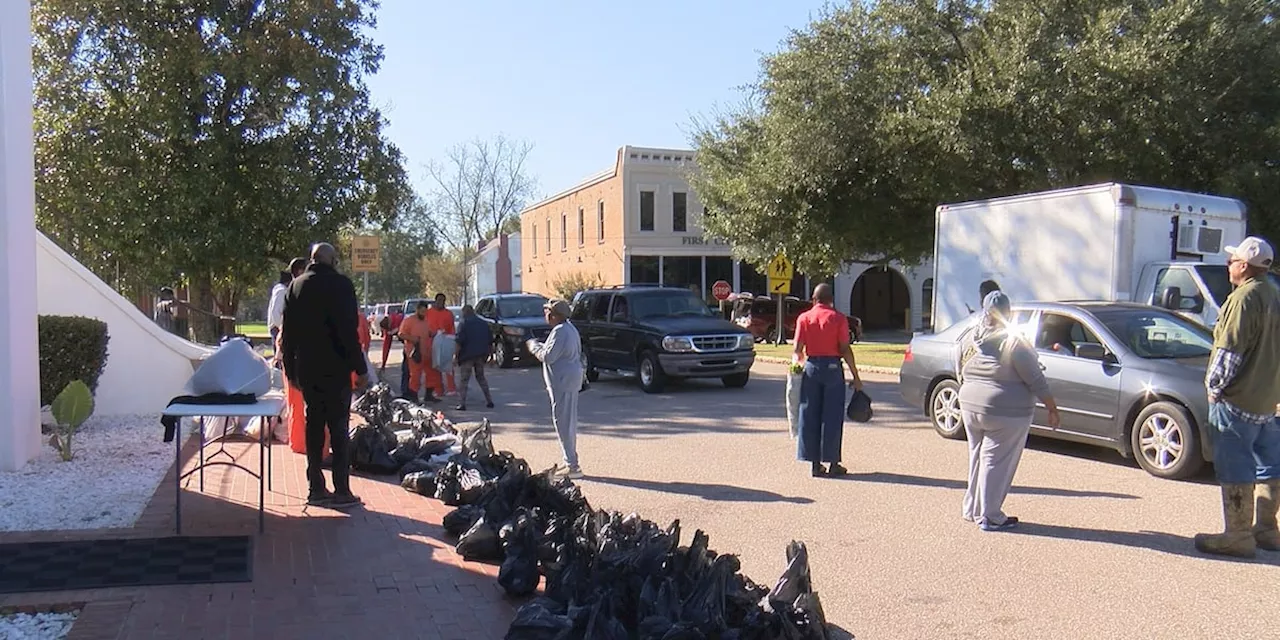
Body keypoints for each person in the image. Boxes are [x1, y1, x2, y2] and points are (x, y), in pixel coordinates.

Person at [1196, 236, 1280, 558]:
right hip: (1269, 401)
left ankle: (1238, 535)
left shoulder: (1243, 299)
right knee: (1269, 465)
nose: (1229, 265)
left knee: (1235, 467)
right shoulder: (1274, 294)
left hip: (1239, 401)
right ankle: (1267, 529)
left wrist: (1214, 389)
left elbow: (1228, 350)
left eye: (1232, 261)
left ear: (1244, 266)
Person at [957, 291, 1060, 531]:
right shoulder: (1014, 341)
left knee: (977, 456)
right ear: (1008, 313)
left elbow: (958, 364)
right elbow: (1035, 378)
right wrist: (1051, 407)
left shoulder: (970, 336)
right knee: (996, 461)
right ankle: (990, 516)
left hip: (970, 404)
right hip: (1006, 411)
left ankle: (972, 508)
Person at [280, 242, 369, 509]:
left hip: (308, 369)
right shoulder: (341, 285)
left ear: (311, 259)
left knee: (314, 425)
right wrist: (360, 368)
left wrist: (289, 369)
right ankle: (342, 489)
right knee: (339, 428)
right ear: (331, 260)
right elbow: (348, 331)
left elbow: (288, 335)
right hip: (337, 368)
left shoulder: (295, 287)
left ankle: (315, 488)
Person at [792, 283, 862, 477]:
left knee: (809, 414)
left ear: (814, 300)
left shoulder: (804, 318)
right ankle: (833, 463)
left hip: (811, 367)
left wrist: (797, 367)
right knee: (832, 415)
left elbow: (797, 348)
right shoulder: (838, 318)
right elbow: (845, 348)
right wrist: (856, 376)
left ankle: (814, 464)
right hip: (832, 367)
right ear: (831, 300)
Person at [527, 299, 584, 479]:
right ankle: (570, 461)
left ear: (554, 315)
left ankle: (572, 466)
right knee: (566, 421)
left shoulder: (560, 331)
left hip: (563, 381)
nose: (545, 315)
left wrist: (534, 347)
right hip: (568, 379)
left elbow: (548, 356)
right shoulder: (569, 328)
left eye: (547, 312)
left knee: (564, 423)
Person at [453, 304, 495, 411]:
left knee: (464, 380)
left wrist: (455, 356)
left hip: (467, 356)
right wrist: (491, 356)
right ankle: (489, 400)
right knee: (481, 377)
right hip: (481, 355)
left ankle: (462, 403)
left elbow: (459, 342)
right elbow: (490, 341)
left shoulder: (463, 323)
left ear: (464, 312)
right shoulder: (483, 323)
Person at [398, 300, 440, 403]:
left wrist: (434, 334)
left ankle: (429, 395)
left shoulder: (426, 320)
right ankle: (413, 396)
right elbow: (401, 334)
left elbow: (428, 332)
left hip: (426, 352)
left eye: (425, 312)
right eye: (421, 311)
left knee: (431, 373)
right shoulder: (409, 320)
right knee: (415, 375)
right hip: (414, 353)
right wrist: (413, 339)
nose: (423, 314)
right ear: (417, 310)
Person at [426, 293, 458, 397]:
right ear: (435, 301)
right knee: (435, 367)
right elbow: (425, 328)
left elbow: (452, 330)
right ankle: (438, 389)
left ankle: (451, 388)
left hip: (445, 342)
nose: (441, 303)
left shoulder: (448, 314)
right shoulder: (428, 313)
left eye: (443, 301)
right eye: (439, 301)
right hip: (432, 344)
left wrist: (451, 341)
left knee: (447, 365)